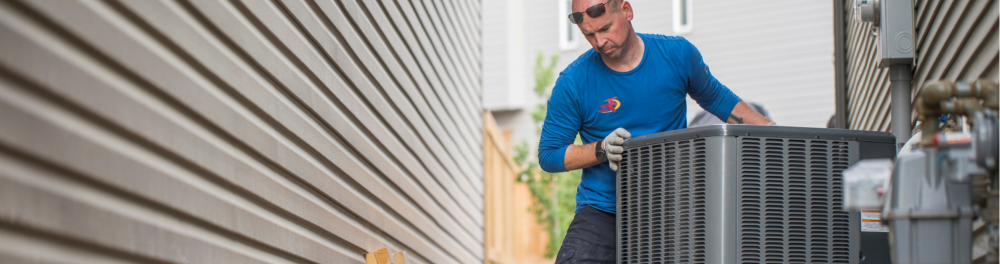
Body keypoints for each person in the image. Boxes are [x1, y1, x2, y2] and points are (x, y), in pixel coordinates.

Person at [537, 0, 773, 262]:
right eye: (589, 35)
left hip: (673, 208)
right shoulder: (573, 82)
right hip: (604, 212)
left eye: (605, 29)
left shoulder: (676, 55)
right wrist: (601, 150)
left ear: (627, 11)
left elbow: (718, 100)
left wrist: (773, 131)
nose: (600, 42)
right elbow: (549, 155)